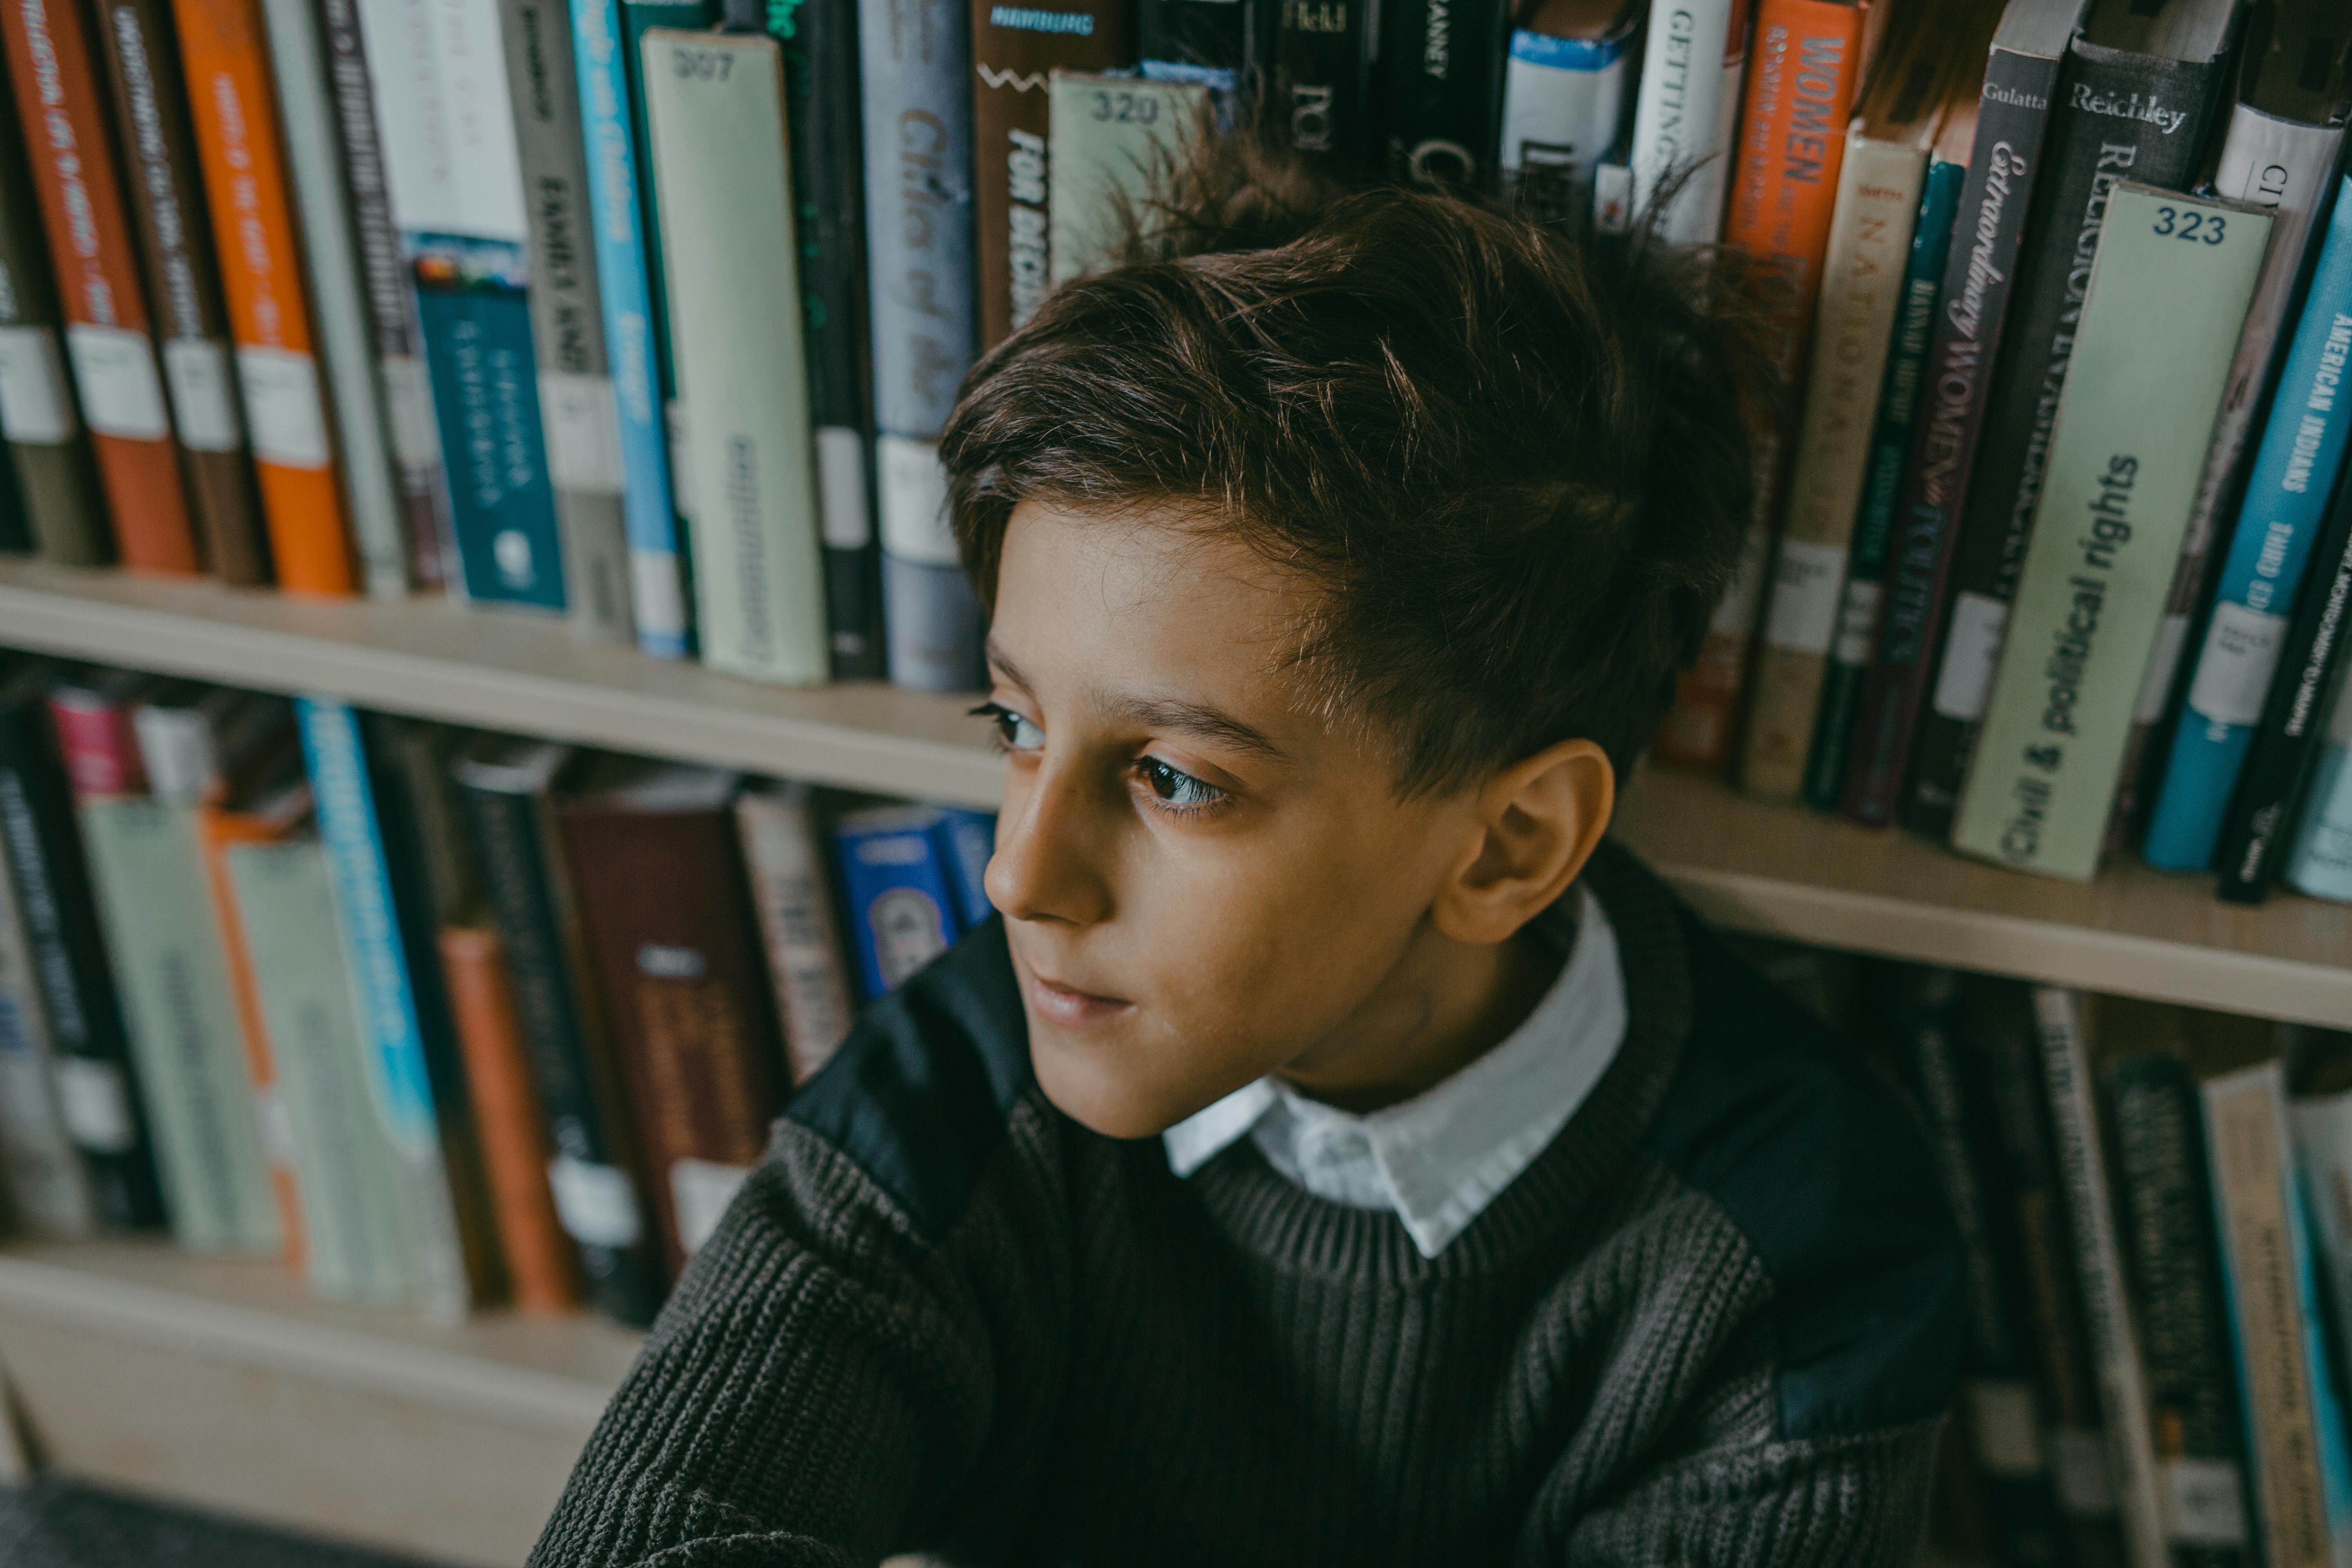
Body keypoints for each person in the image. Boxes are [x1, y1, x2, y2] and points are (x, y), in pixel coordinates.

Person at [530, 134, 1965, 1567]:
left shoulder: (1799, 1250)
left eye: (1171, 778)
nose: (1019, 879)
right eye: (1015, 722)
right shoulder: (971, 1084)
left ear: (1506, 849)